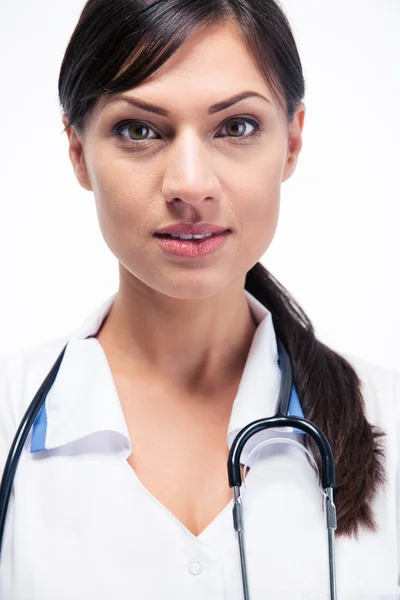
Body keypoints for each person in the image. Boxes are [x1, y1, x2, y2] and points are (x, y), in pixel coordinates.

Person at [0, 0, 399, 598]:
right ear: (78, 152)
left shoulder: (387, 414)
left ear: (291, 142)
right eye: (139, 129)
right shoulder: (8, 413)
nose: (190, 184)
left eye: (236, 127)